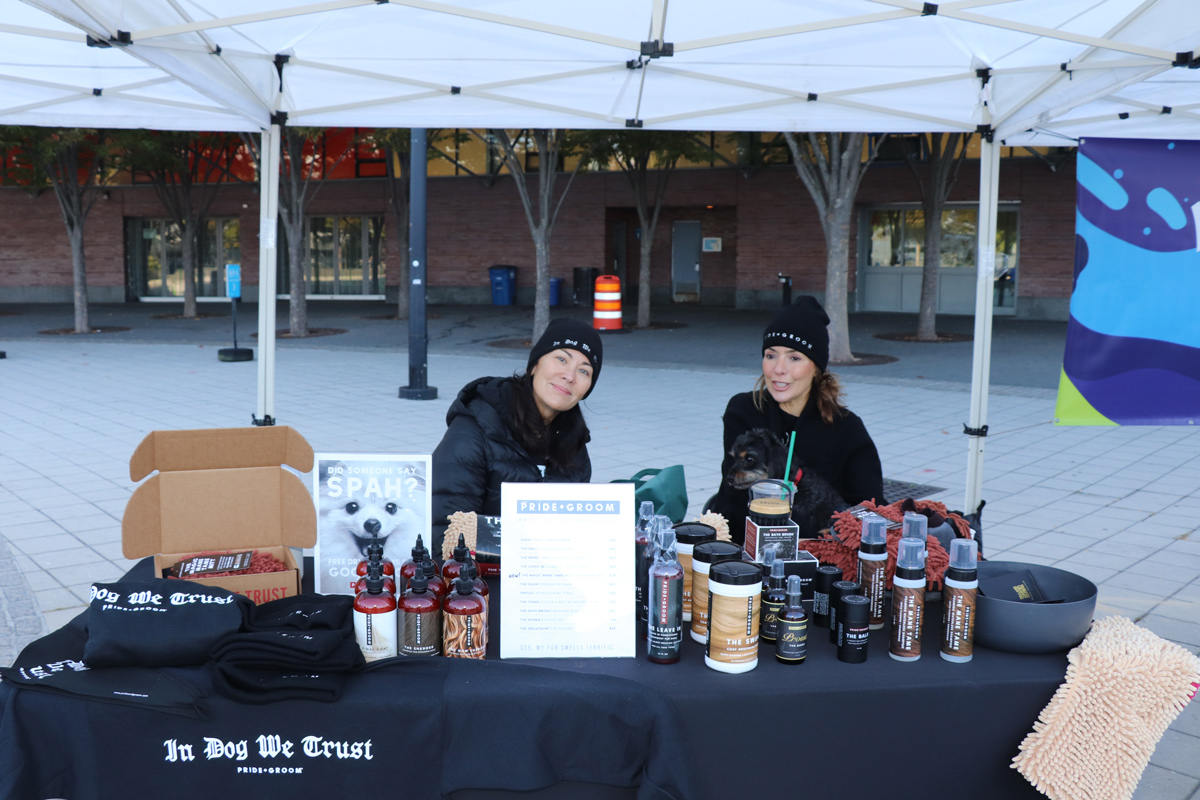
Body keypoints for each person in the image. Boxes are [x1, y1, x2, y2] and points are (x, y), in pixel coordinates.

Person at [710, 296, 883, 543]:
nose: (778, 369)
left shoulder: (847, 428)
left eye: (794, 358)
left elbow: (871, 507)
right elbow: (737, 493)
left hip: (820, 553)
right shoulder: (744, 410)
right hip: (741, 547)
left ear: (816, 367)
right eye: (771, 355)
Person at [431, 318, 602, 555]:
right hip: (480, 575)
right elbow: (444, 532)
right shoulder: (475, 429)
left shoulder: (575, 445)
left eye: (584, 371)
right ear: (534, 365)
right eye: (561, 359)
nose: (570, 376)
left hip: (549, 572)